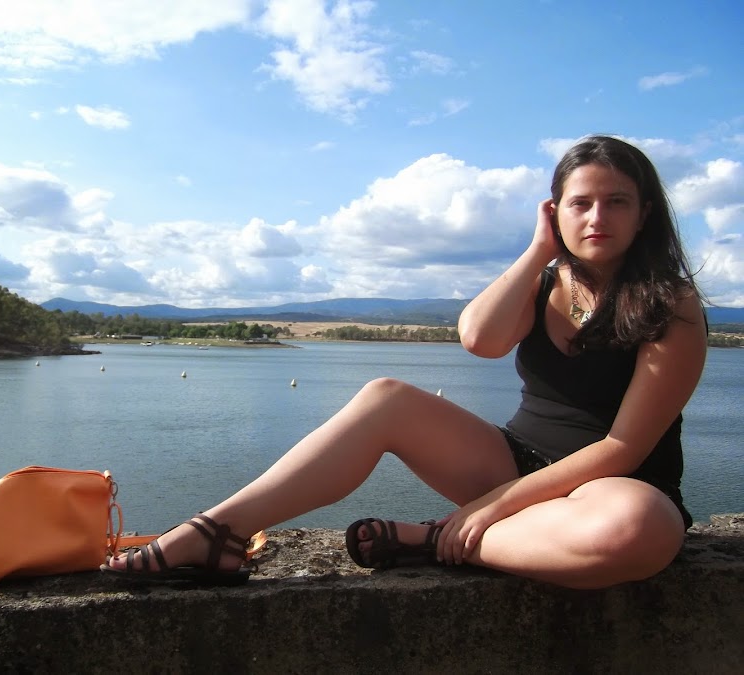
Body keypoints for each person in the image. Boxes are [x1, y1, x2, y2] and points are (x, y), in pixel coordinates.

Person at [102, 135, 706, 590]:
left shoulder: (671, 304)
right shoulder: (542, 283)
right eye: (580, 203)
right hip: (512, 462)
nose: (596, 218)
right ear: (555, 212)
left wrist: (491, 507)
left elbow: (623, 447)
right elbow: (480, 340)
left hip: (613, 490)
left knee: (639, 532)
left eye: (616, 202)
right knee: (385, 397)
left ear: (644, 213)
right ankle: (216, 532)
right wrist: (535, 252)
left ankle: (439, 540)